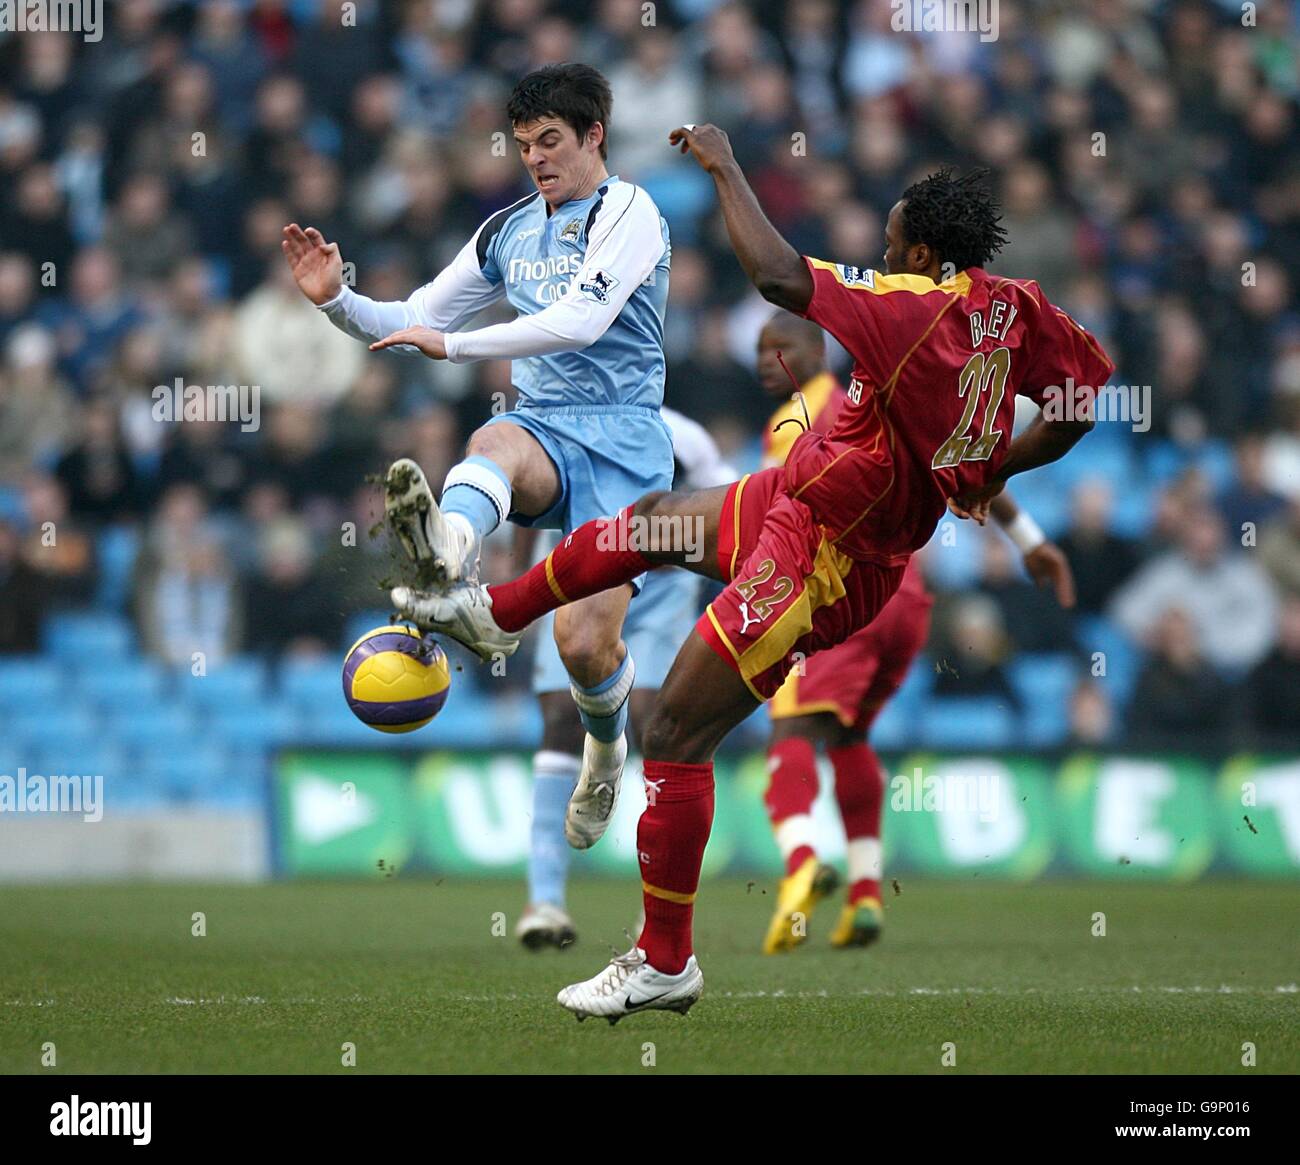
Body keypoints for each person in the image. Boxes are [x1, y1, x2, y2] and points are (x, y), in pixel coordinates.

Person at [395, 129, 1112, 1021]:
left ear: (923, 256)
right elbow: (1085, 398)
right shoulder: (1020, 309)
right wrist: (995, 468)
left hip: (824, 558)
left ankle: (664, 962)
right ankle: (497, 614)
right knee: (645, 525)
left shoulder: (906, 306)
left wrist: (726, 165)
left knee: (676, 732)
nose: (882, 257)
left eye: (892, 247)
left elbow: (779, 277)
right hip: (798, 496)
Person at [283, 64, 673, 850]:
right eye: (525, 144)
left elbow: (581, 321)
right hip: (546, 428)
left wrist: (456, 346)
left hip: (628, 441)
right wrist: (336, 299)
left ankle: (605, 750)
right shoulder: (506, 230)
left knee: (581, 645)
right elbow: (415, 316)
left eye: (551, 141)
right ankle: (447, 554)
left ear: (593, 135)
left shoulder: (630, 210)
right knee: (492, 439)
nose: (535, 159)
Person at [750, 310, 1075, 955]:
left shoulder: (804, 419)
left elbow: (781, 514)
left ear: (816, 349)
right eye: (759, 351)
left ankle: (803, 863)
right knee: (850, 734)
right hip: (906, 598)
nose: (766, 360)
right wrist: (1030, 540)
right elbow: (968, 463)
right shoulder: (885, 408)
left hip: (841, 591)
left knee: (789, 728)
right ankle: (867, 894)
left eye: (779, 347)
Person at [516, 405, 735, 949]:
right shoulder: (560, 422)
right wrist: (520, 580)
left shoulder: (685, 438)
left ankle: (655, 914)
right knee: (561, 717)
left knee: (655, 721)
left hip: (660, 587)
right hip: (577, 569)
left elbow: (725, 513)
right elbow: (528, 506)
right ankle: (544, 903)